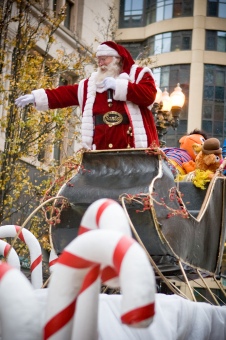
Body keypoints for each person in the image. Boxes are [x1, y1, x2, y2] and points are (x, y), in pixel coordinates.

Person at [15, 41, 159, 150]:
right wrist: (37, 97)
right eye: (99, 60)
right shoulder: (90, 85)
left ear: (118, 59)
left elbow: (149, 95)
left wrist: (119, 86)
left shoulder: (138, 75)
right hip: (100, 155)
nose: (101, 63)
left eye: (105, 59)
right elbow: (64, 94)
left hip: (133, 150)